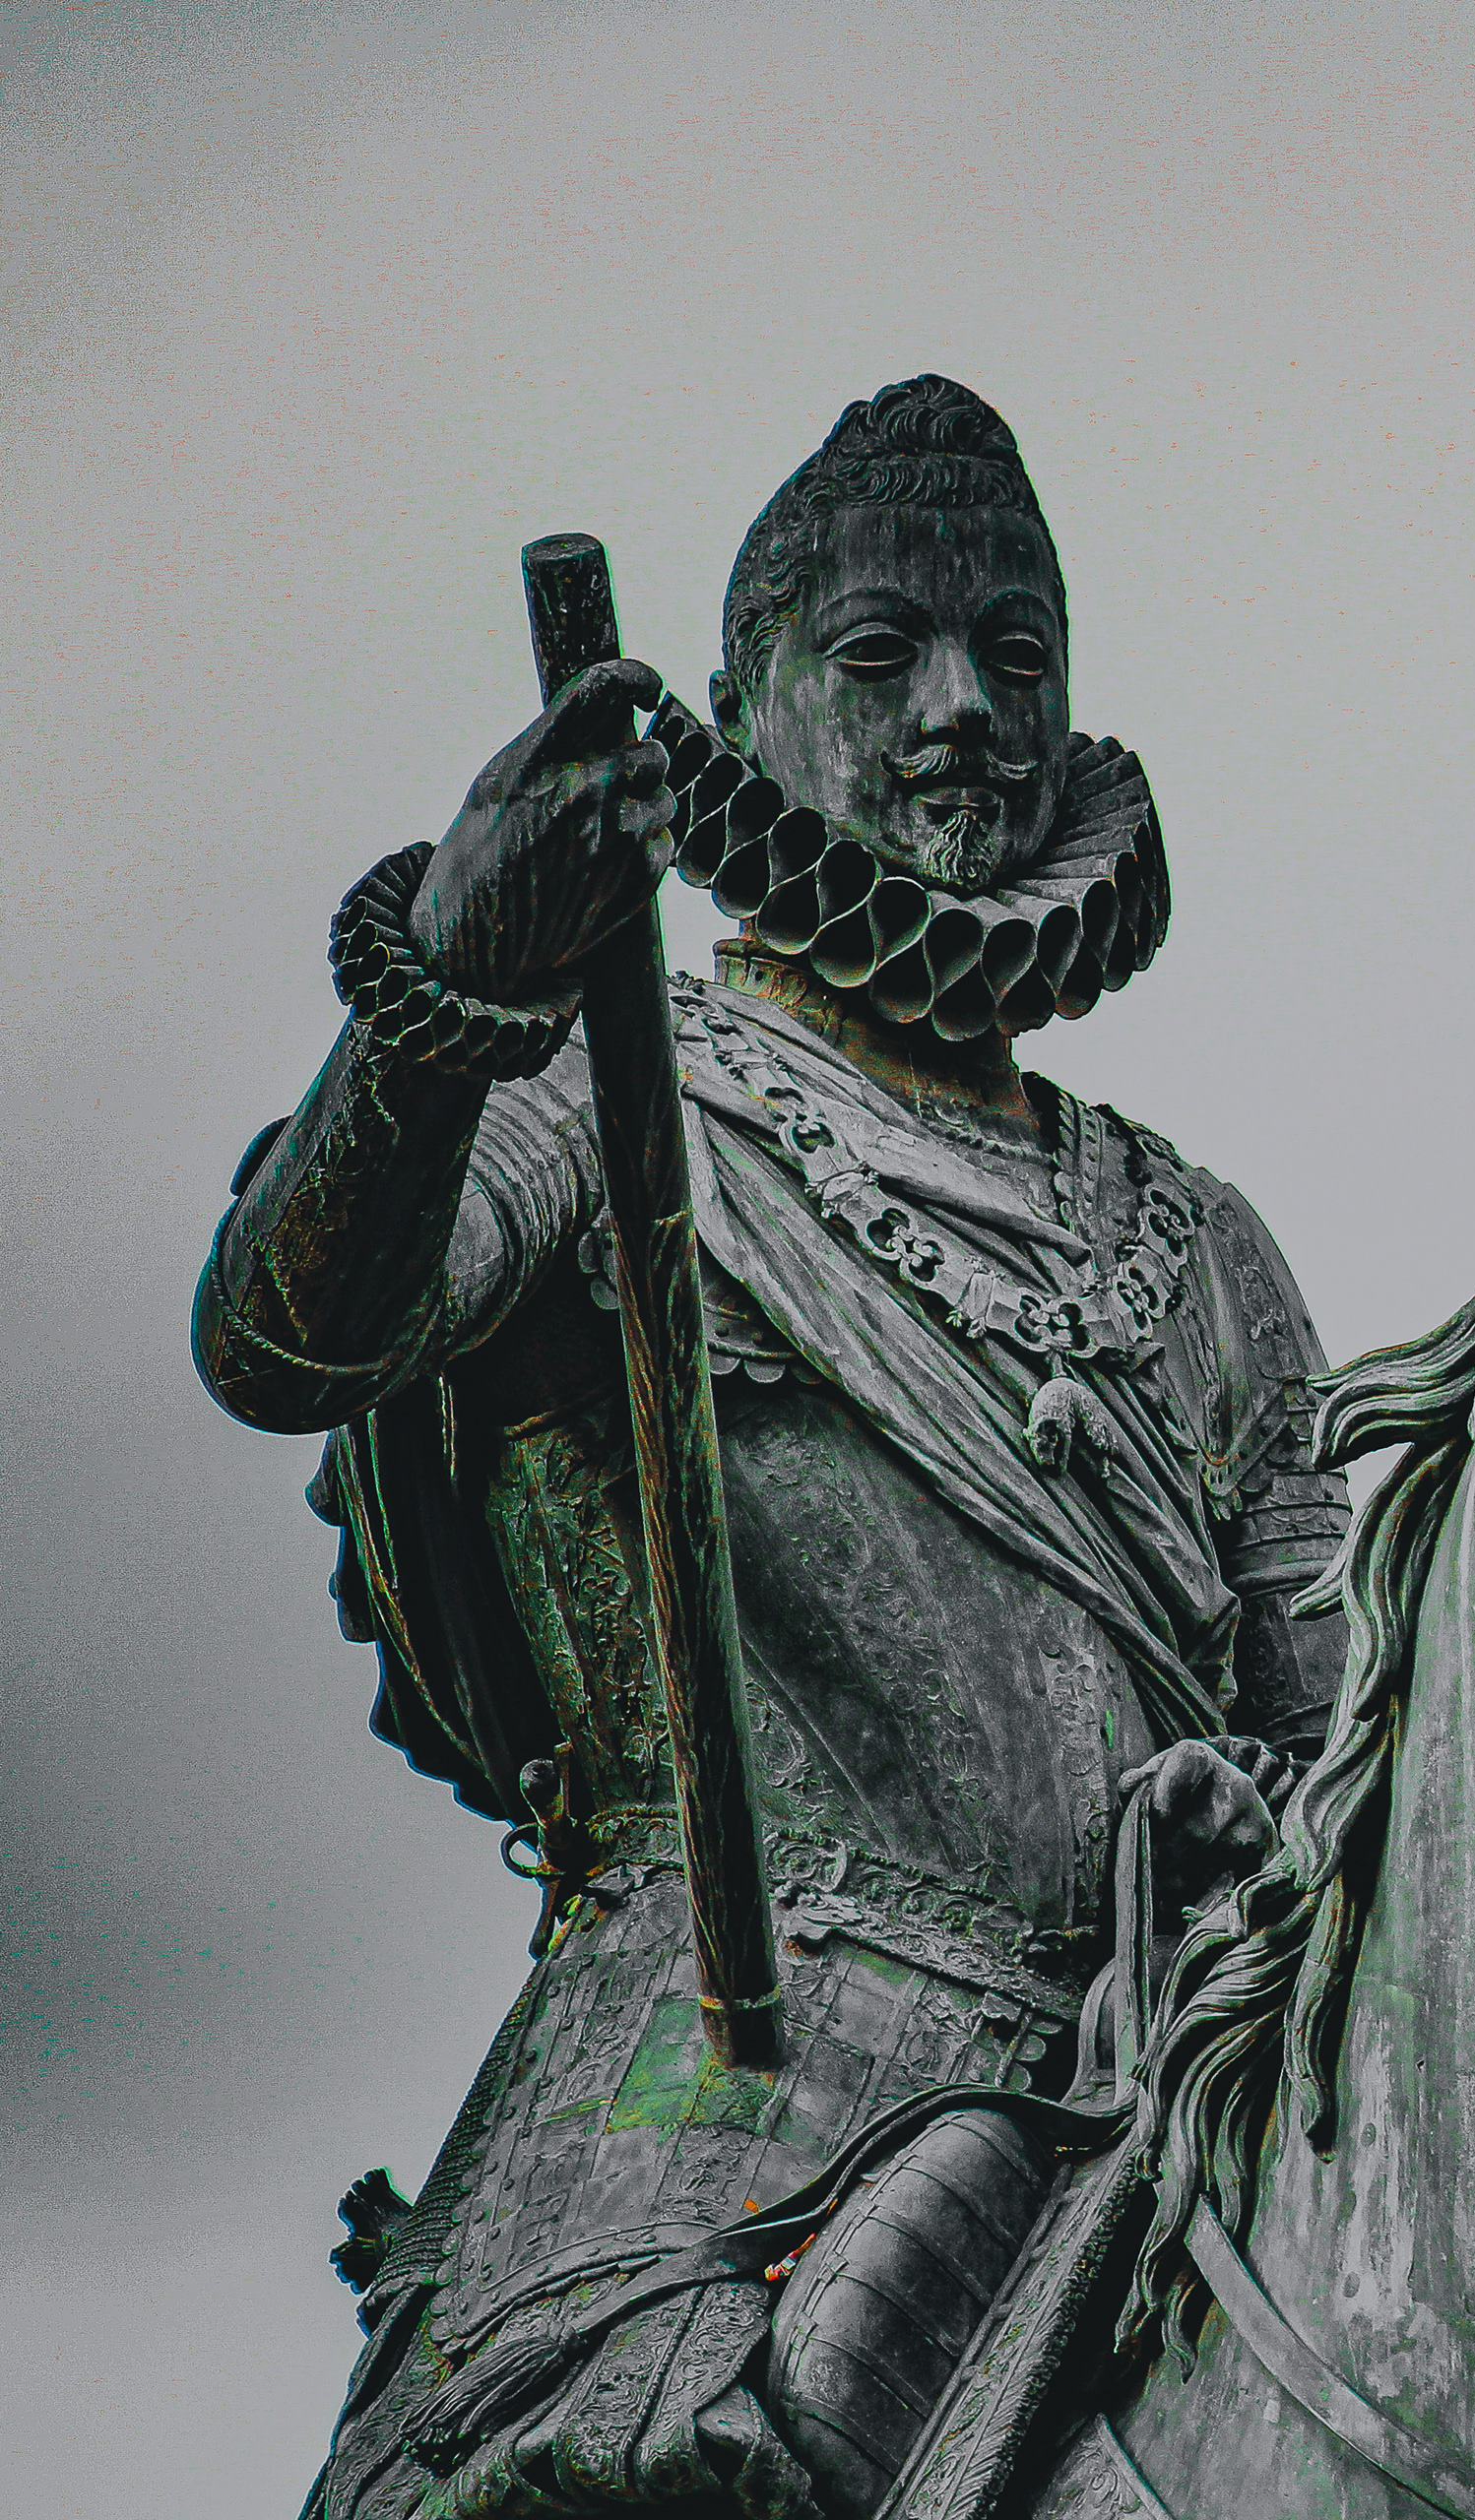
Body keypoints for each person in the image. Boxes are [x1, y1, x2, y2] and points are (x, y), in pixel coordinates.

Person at [196, 376, 1342, 2519]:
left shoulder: (1206, 1251)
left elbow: (1340, 1718)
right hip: (726, 2125)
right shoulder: (620, 1085)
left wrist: (1276, 1801)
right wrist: (454, 964)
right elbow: (286, 1331)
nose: (961, 712)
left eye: (1016, 654)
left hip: (1172, 2118)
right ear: (739, 706)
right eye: (882, 651)